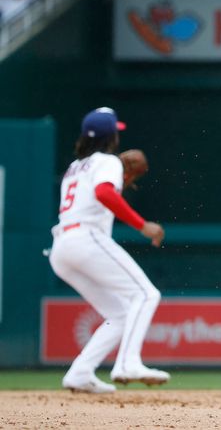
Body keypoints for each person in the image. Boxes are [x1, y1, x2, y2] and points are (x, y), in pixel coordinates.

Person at [49, 107, 170, 393]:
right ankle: (128, 363)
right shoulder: (107, 162)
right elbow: (103, 193)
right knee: (146, 294)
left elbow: (96, 196)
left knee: (119, 314)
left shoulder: (76, 167)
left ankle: (79, 373)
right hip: (85, 238)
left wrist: (118, 184)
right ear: (111, 136)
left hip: (62, 248)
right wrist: (143, 226)